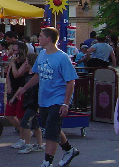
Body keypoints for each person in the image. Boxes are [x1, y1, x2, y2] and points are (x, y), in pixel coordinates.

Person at [14, 27, 79, 167]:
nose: (38, 38)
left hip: (58, 99)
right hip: (44, 99)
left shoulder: (62, 58)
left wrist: (66, 103)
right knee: (51, 127)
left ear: (48, 38)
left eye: (41, 36)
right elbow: (37, 75)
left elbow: (70, 81)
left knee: (51, 130)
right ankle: (69, 150)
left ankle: (47, 162)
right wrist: (24, 89)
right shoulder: (42, 54)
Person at [17, 52, 45, 154]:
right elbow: (22, 85)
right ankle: (40, 144)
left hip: (34, 101)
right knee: (35, 124)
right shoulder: (26, 74)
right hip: (28, 100)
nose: (25, 62)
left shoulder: (37, 75)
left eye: (27, 60)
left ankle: (28, 144)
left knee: (25, 122)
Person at [7, 41, 30, 149]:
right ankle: (23, 132)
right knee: (9, 115)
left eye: (15, 50)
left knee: (20, 116)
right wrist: (9, 86)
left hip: (21, 90)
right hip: (13, 89)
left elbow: (17, 74)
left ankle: (23, 138)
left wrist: (12, 62)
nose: (13, 52)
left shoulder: (25, 62)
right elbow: (9, 74)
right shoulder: (13, 61)